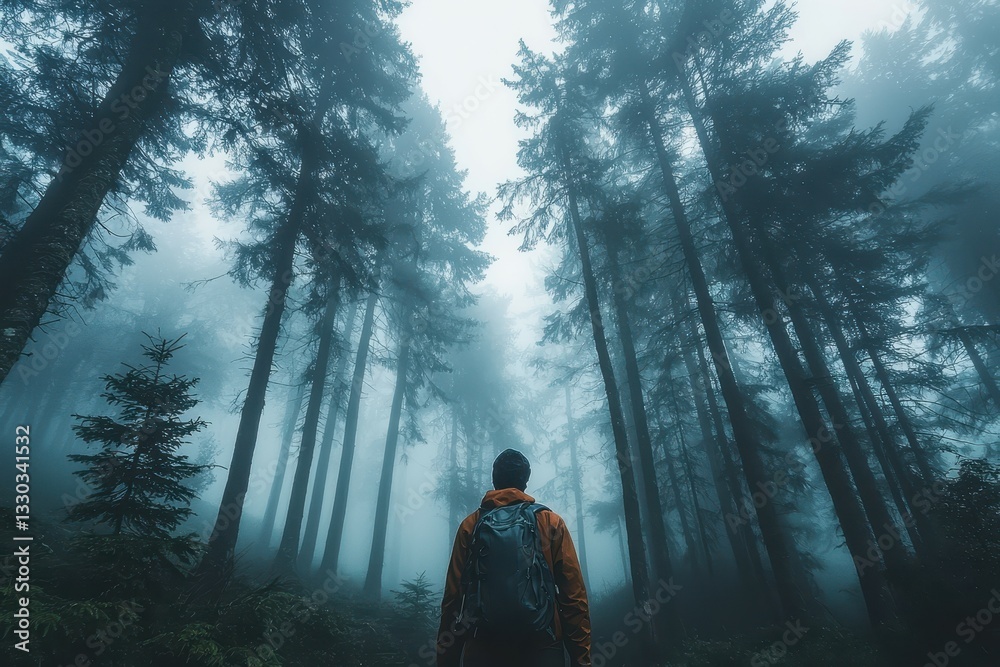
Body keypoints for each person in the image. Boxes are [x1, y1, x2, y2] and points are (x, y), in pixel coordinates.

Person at [436, 448, 591, 667]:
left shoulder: (470, 526)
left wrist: (446, 659)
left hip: (483, 648)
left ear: (494, 479)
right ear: (525, 481)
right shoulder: (550, 522)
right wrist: (581, 659)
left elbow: (453, 598)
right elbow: (574, 597)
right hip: (541, 648)